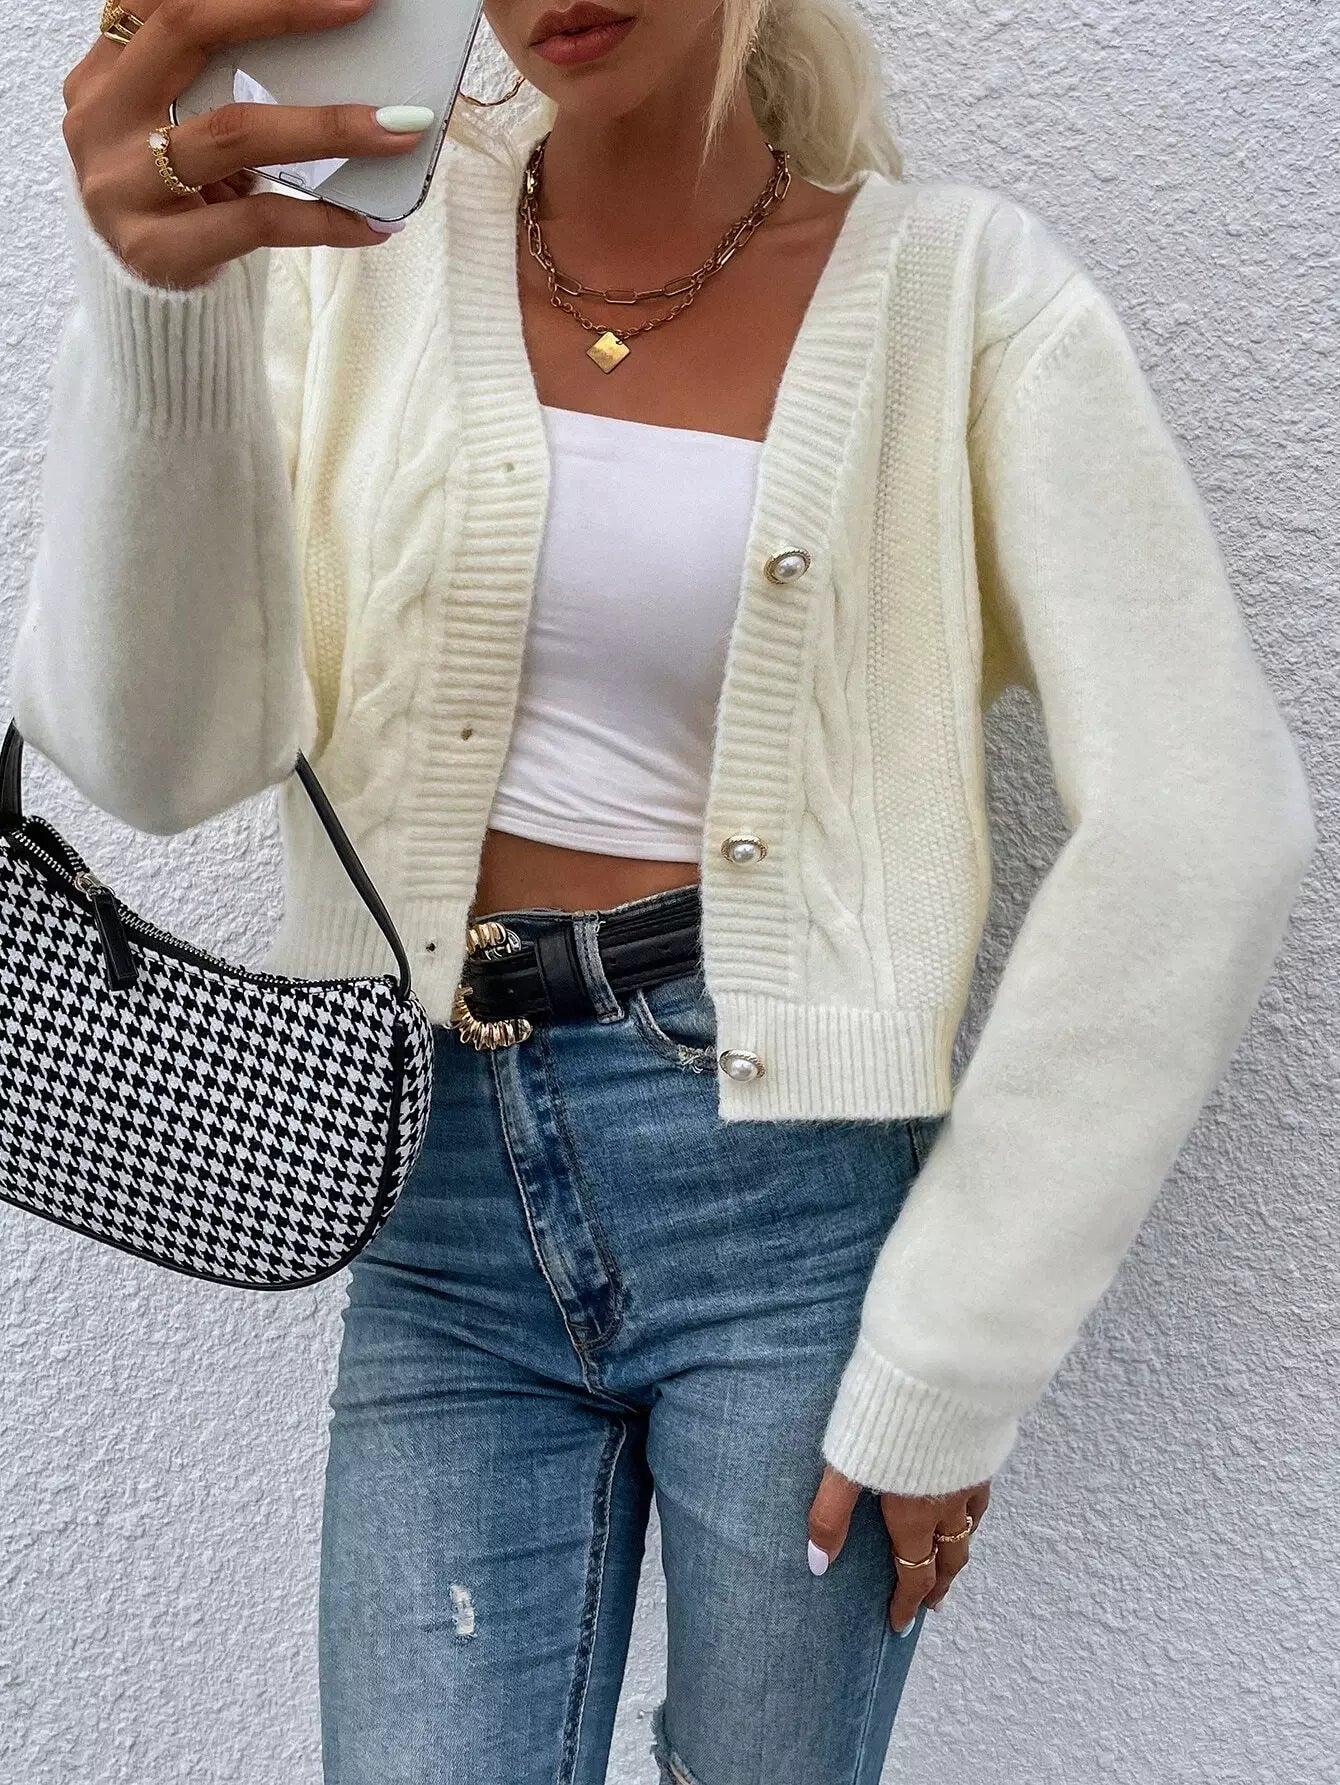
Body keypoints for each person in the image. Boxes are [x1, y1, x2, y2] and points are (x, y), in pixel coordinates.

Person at [16, 0, 1315, 1779]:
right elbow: (161, 760)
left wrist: (959, 1345)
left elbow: (1204, 821)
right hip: (432, 1193)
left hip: (790, 1219)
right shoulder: (349, 267)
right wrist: (160, 307)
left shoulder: (964, 295)